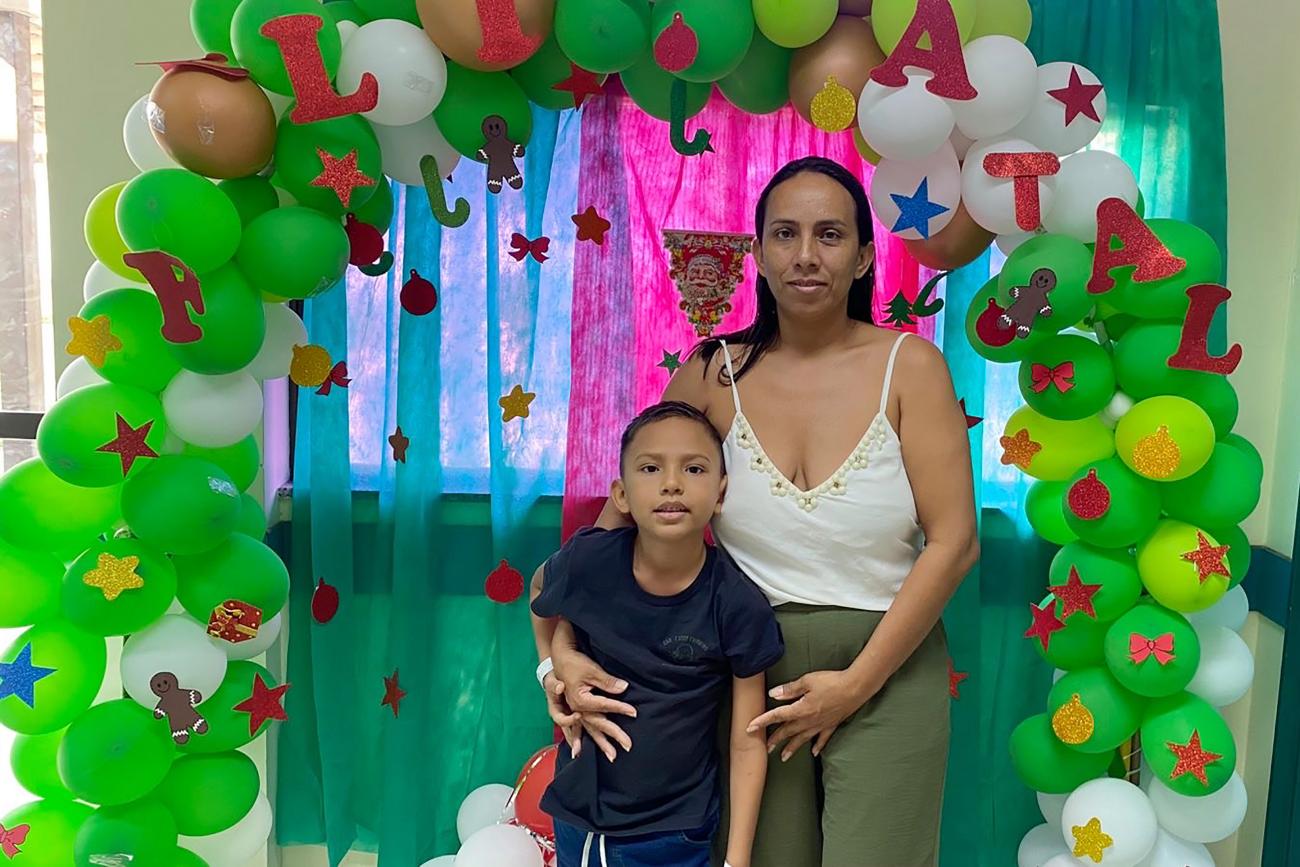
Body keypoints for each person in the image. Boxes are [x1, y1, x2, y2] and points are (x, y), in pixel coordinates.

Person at [546, 156, 979, 867]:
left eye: (830, 234)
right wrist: (561, 655)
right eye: (785, 233)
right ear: (758, 252)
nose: (806, 255)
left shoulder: (912, 366)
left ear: (864, 256)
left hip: (890, 665)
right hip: (749, 668)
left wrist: (856, 684)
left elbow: (955, 543)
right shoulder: (712, 372)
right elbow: (616, 534)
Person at [530, 401, 785, 867]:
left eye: (694, 468)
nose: (672, 483)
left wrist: (737, 860)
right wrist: (551, 668)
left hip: (676, 830)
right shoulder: (591, 560)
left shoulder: (737, 603)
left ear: (721, 492)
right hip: (581, 815)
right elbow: (538, 591)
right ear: (621, 495)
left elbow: (748, 740)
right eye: (650, 468)